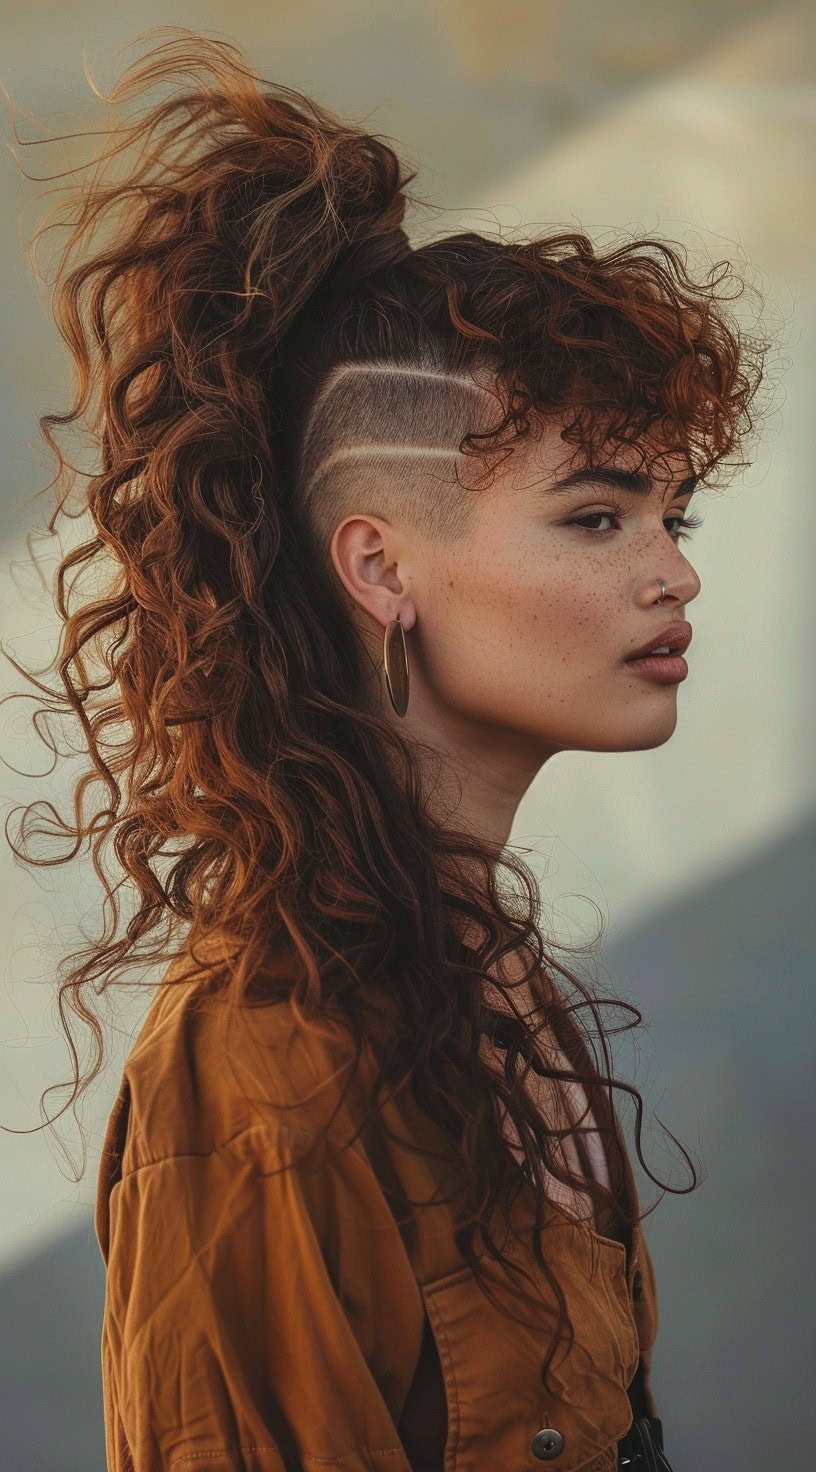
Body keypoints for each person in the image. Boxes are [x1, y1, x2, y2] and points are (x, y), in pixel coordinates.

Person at [14, 27, 768, 1472]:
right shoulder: (262, 1061)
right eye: (598, 518)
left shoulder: (488, 975)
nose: (675, 576)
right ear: (380, 567)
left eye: (679, 520)